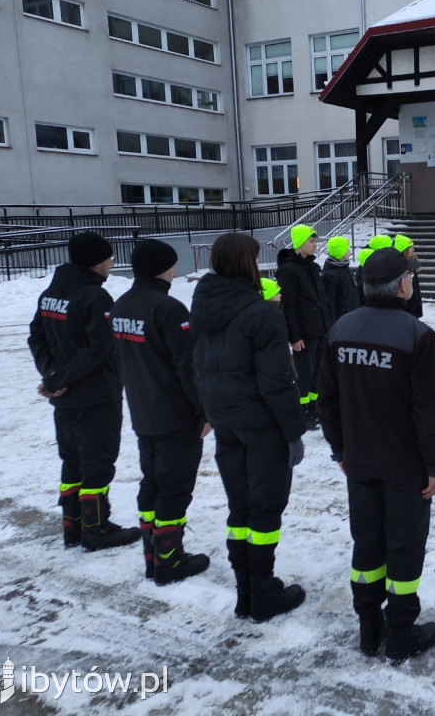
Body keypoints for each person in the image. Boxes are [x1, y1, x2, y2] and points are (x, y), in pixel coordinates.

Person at [317, 247, 435, 662]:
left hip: (359, 462)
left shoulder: (341, 329)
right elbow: (429, 411)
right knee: (404, 546)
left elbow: (328, 401)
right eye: (411, 277)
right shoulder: (418, 336)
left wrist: (340, 448)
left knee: (368, 545)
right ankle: (401, 633)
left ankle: (368, 628)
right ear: (403, 286)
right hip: (405, 467)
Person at [190, 232, 308, 622]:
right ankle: (260, 595)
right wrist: (293, 432)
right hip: (261, 426)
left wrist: (206, 411)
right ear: (247, 264)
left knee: (240, 507)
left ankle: (248, 591)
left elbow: (198, 366)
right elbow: (277, 382)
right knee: (265, 510)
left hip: (226, 422)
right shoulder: (262, 314)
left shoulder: (203, 307)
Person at [28, 232, 140, 552]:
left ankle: (73, 526)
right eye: (108, 258)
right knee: (98, 460)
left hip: (65, 396)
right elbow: (99, 349)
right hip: (96, 394)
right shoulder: (95, 297)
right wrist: (59, 378)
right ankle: (95, 529)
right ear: (96, 262)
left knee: (72, 459)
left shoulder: (51, 293)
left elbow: (36, 338)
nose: (111, 263)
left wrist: (53, 377)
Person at [111, 239, 211, 584]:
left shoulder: (122, 305)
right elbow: (188, 367)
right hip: (175, 415)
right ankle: (169, 560)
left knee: (152, 482)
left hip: (143, 411)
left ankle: (153, 555)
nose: (175, 272)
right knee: (174, 487)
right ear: (159, 270)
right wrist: (206, 410)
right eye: (171, 266)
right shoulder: (168, 309)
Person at [276, 224, 332, 431]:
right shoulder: (288, 271)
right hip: (304, 333)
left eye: (315, 241)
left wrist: (329, 327)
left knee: (318, 371)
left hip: (321, 329)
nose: (315, 245)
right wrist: (295, 335)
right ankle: (301, 410)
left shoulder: (314, 268)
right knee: (304, 373)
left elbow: (323, 301)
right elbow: (288, 306)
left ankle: (315, 407)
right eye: (311, 241)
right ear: (300, 242)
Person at [321, 235, 360, 322]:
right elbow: (329, 305)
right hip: (341, 321)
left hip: (351, 318)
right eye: (347, 249)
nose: (349, 252)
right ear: (340, 252)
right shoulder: (330, 275)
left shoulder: (345, 269)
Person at [395, 234, 424, 319]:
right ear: (404, 250)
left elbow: (416, 287)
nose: (413, 249)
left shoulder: (412, 264)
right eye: (410, 247)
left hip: (413, 306)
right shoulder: (401, 266)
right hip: (406, 307)